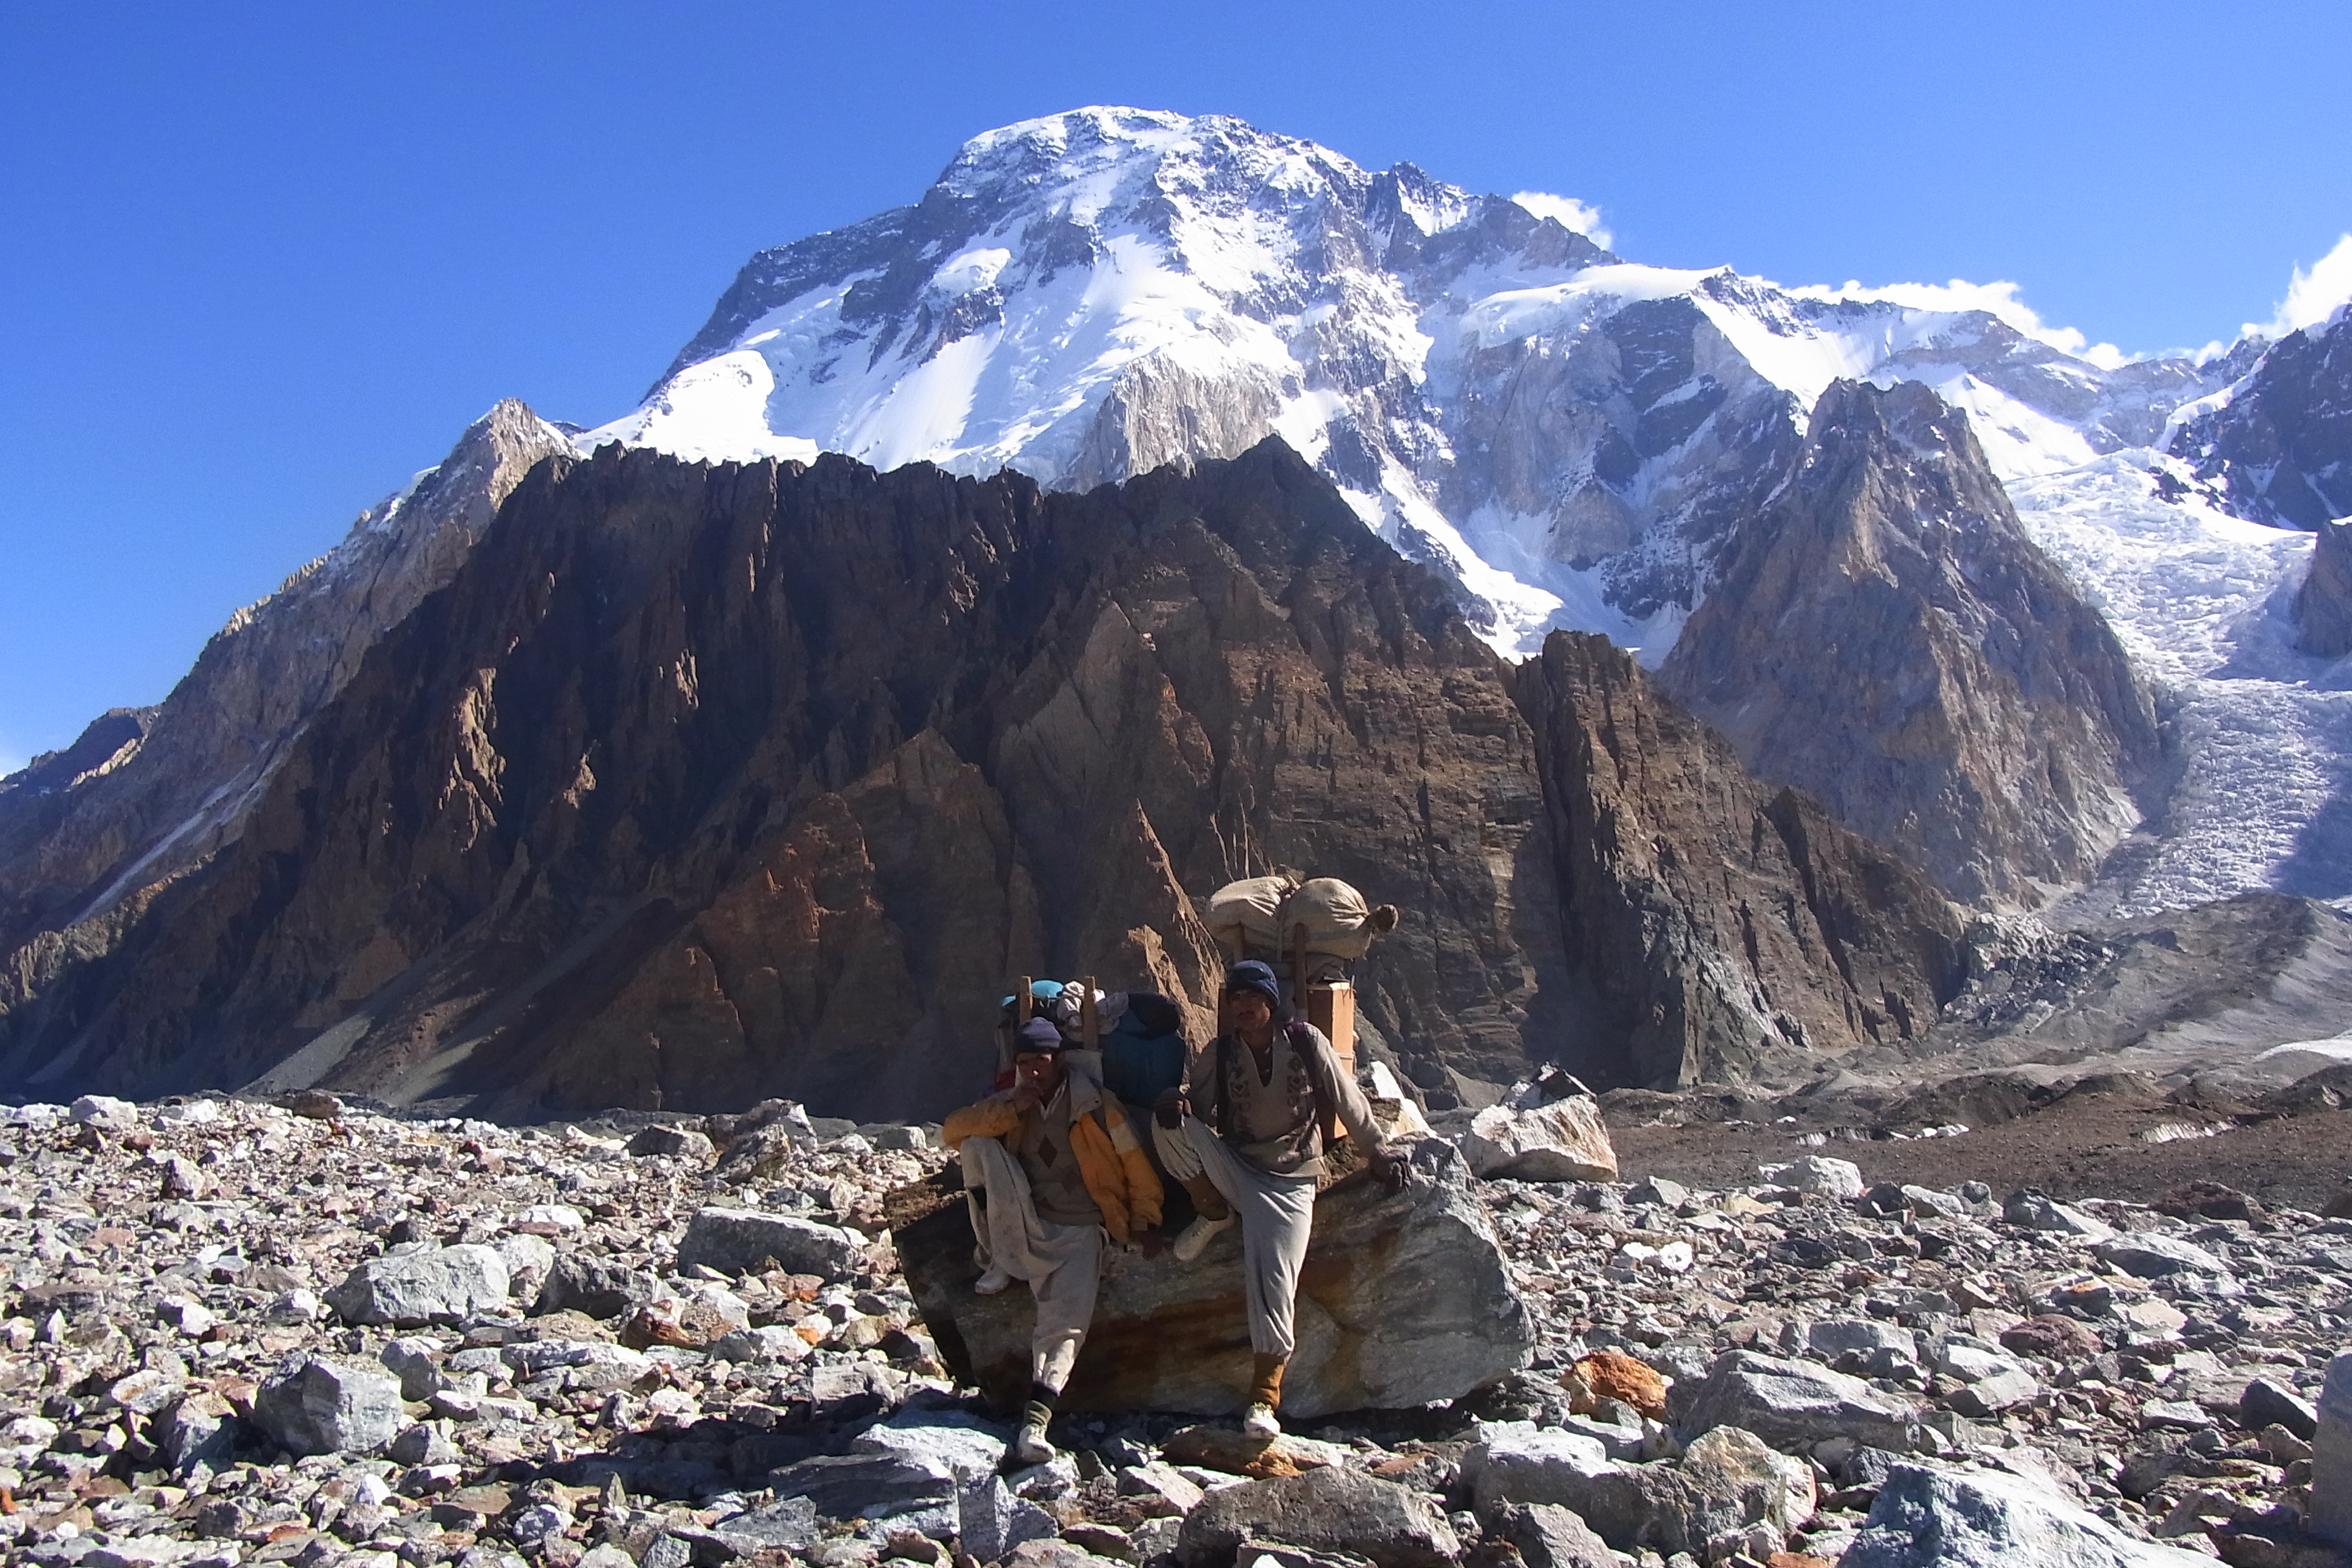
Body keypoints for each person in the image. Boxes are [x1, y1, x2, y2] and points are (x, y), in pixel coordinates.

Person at [1152, 959, 1406, 1439]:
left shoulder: (1307, 1042)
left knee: (1273, 1279)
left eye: (1252, 998)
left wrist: (1377, 1150)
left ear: (1270, 1003)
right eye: (1235, 999)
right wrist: (1177, 1103)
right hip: (1239, 1166)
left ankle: (1264, 1397)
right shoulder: (1220, 1053)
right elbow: (1199, 1113)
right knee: (1166, 1127)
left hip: (1291, 1180)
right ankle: (1214, 1211)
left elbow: (1347, 1097)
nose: (1243, 1007)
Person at [943, 1017, 1165, 1465]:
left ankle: (1036, 1421)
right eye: (1025, 1062)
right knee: (977, 1149)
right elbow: (952, 1131)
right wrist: (1010, 1110)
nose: (1034, 1071)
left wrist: (1145, 1220)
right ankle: (997, 1255)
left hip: (1081, 1227)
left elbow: (1134, 1164)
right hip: (1028, 1217)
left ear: (1058, 1060)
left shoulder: (1099, 1107)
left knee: (1064, 1324)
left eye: (1040, 1061)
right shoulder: (1011, 1105)